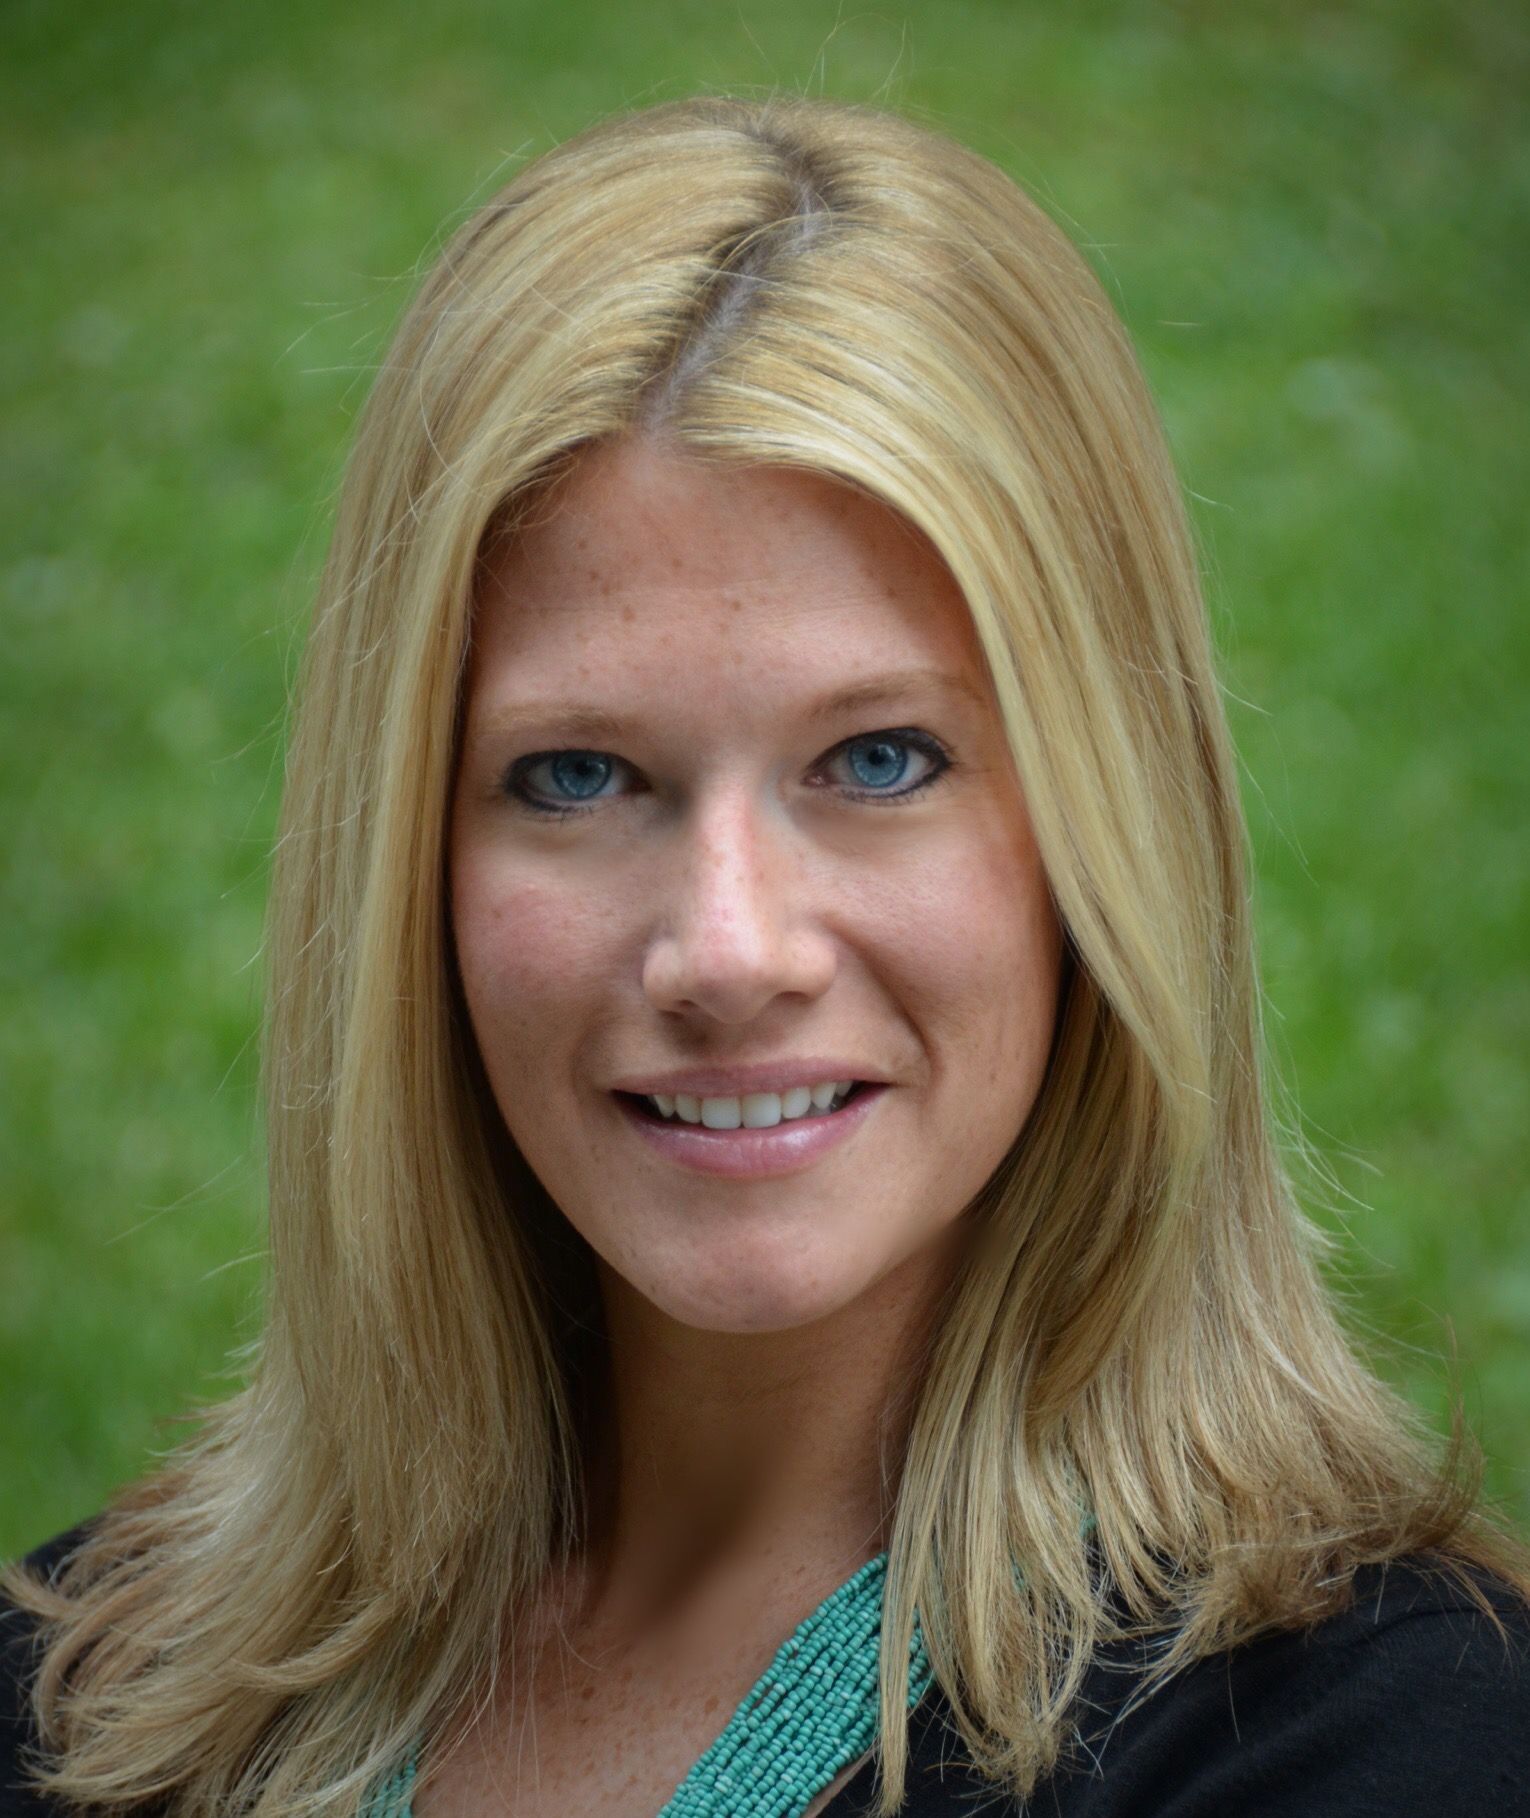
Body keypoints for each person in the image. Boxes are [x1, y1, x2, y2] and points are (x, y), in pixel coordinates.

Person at [3, 91, 1527, 1818]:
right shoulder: (89, 1689)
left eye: (878, 758)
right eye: (575, 774)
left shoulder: (1373, 1745)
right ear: (403, 858)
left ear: (1112, 831)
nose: (726, 950)